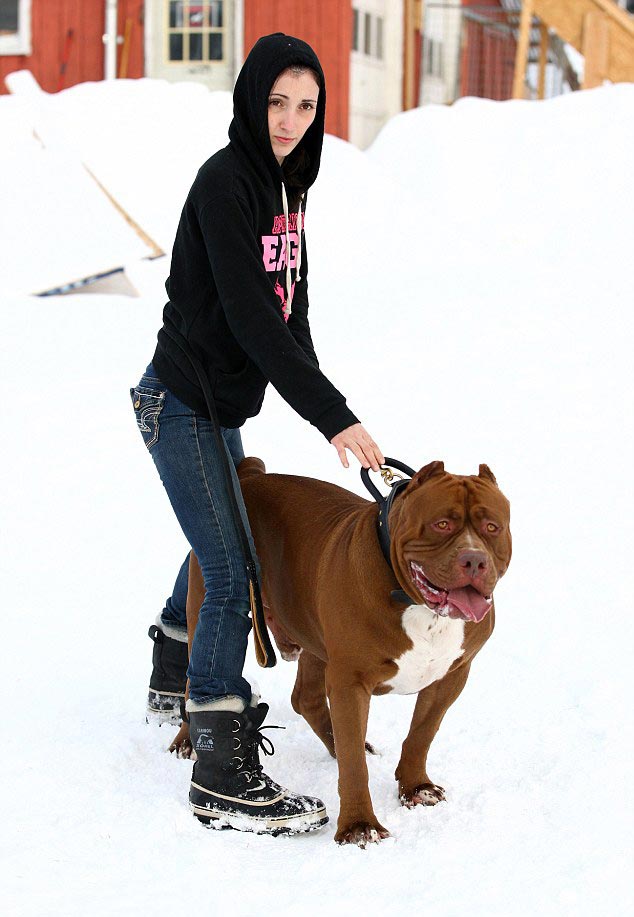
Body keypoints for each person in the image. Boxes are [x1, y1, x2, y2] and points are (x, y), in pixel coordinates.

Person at [130, 33, 384, 836]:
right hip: (179, 402)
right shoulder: (224, 183)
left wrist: (326, 406)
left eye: (306, 106)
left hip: (219, 408)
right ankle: (221, 762)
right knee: (234, 564)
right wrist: (332, 412)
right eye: (277, 101)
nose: (290, 119)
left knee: (220, 526)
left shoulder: (287, 189)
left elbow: (290, 315)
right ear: (250, 98)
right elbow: (248, 318)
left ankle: (173, 666)